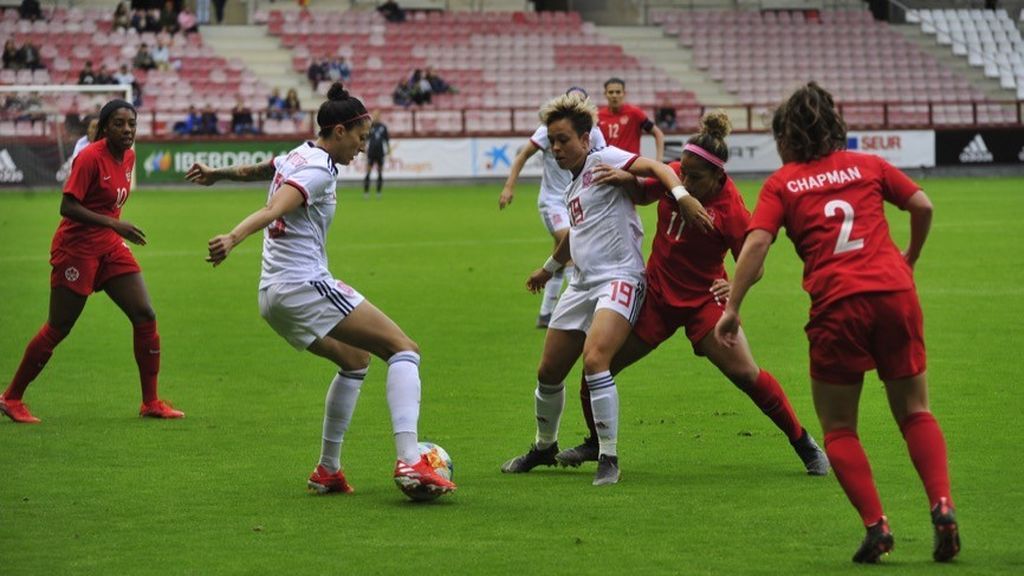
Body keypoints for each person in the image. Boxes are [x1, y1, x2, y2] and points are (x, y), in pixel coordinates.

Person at [714, 82, 959, 564]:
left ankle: (877, 526)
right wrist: (909, 256)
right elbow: (923, 205)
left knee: (840, 427)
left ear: (786, 137)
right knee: (915, 412)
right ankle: (943, 508)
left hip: (838, 305)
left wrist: (733, 306)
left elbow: (758, 243)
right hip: (894, 293)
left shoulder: (783, 182)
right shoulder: (868, 164)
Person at [184, 81, 456, 498]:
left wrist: (217, 175)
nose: (363, 148)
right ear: (341, 131)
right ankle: (410, 460)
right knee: (404, 349)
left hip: (272, 295)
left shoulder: (299, 153)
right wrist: (233, 238)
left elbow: (262, 170)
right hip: (303, 284)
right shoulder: (318, 169)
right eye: (361, 138)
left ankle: (328, 470)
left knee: (355, 360)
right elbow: (276, 208)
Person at [553, 110, 829, 478]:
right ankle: (595, 442)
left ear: (719, 176)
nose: (684, 179)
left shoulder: (731, 209)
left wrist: (733, 286)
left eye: (694, 177)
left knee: (746, 374)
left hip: (703, 301)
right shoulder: (678, 179)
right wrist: (624, 178)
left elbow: (754, 262)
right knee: (597, 365)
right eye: (681, 171)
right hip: (657, 297)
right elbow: (644, 191)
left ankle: (803, 443)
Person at [500, 92, 711, 486]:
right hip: (580, 284)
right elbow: (574, 237)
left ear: (585, 138)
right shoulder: (572, 185)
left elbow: (658, 167)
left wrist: (681, 197)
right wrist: (548, 270)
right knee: (548, 371)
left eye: (563, 139)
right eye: (552, 140)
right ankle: (544, 446)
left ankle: (609, 456)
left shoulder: (603, 158)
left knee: (595, 360)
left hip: (620, 277)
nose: (556, 148)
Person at [0, 99, 184, 424]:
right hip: (77, 249)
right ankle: (11, 397)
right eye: (119, 124)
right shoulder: (88, 158)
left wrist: (114, 230)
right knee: (59, 326)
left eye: (132, 124)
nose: (127, 130)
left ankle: (151, 402)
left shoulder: (129, 155)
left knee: (145, 315)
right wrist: (115, 224)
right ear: (104, 128)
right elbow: (67, 207)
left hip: (110, 248)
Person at [499, 86, 607, 328]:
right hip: (552, 202)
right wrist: (509, 186)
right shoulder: (547, 131)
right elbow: (523, 155)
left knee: (560, 255)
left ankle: (546, 314)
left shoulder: (595, 134)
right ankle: (574, 313)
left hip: (577, 201)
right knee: (571, 249)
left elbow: (602, 162)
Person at [598, 77, 663, 162]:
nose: (614, 95)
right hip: (609, 165)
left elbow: (658, 133)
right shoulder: (599, 116)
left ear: (624, 93)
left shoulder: (634, 113)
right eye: (611, 92)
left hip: (632, 165)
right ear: (605, 94)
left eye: (618, 92)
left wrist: (659, 159)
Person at [363, 111, 389, 198]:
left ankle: (378, 192)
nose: (376, 117)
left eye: (377, 115)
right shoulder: (370, 127)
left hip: (380, 152)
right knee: (368, 172)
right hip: (371, 152)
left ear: (380, 116)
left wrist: (388, 150)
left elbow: (386, 140)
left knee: (380, 172)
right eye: (374, 115)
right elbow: (365, 139)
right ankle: (366, 192)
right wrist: (364, 149)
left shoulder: (383, 127)